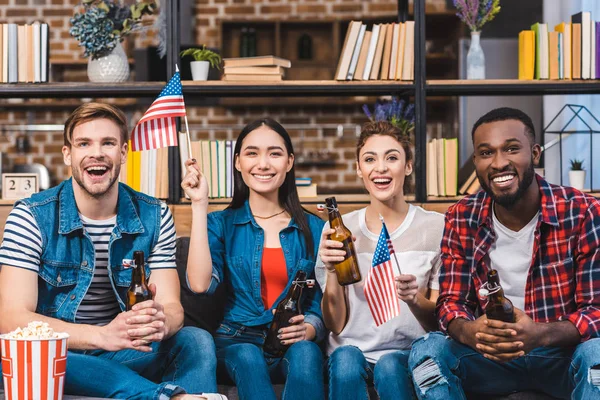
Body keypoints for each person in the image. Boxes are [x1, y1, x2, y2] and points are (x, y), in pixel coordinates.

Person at [0, 103, 219, 400]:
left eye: (108, 143)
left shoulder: (155, 216)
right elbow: (11, 318)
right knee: (35, 357)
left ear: (124, 153)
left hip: (123, 351)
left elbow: (173, 308)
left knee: (196, 340)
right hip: (57, 355)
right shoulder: (31, 216)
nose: (97, 153)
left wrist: (156, 323)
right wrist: (102, 335)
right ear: (68, 154)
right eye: (84, 143)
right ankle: (171, 397)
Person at [408, 107, 600, 400]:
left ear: (535, 153)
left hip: (560, 358)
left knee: (597, 353)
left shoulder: (582, 211)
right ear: (475, 161)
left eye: (511, 149)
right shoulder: (462, 216)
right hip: (490, 360)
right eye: (486, 153)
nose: (499, 163)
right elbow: (451, 304)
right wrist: (471, 331)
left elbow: (596, 311)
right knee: (428, 352)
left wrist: (539, 334)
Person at [181, 118, 326, 400]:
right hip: (236, 340)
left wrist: (310, 329)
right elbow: (199, 285)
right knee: (248, 355)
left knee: (308, 352)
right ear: (237, 162)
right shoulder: (219, 223)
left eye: (274, 153)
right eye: (252, 153)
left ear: (289, 161)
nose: (263, 163)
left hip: (292, 340)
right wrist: (199, 204)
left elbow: (322, 299)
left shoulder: (315, 228)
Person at [316, 121, 444, 400]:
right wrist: (331, 272)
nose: (381, 168)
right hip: (348, 353)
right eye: (370, 159)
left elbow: (439, 323)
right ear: (359, 169)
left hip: (406, 354)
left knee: (389, 365)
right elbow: (335, 324)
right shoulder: (337, 230)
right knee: (346, 359)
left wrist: (414, 299)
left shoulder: (436, 228)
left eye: (392, 157)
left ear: (408, 166)